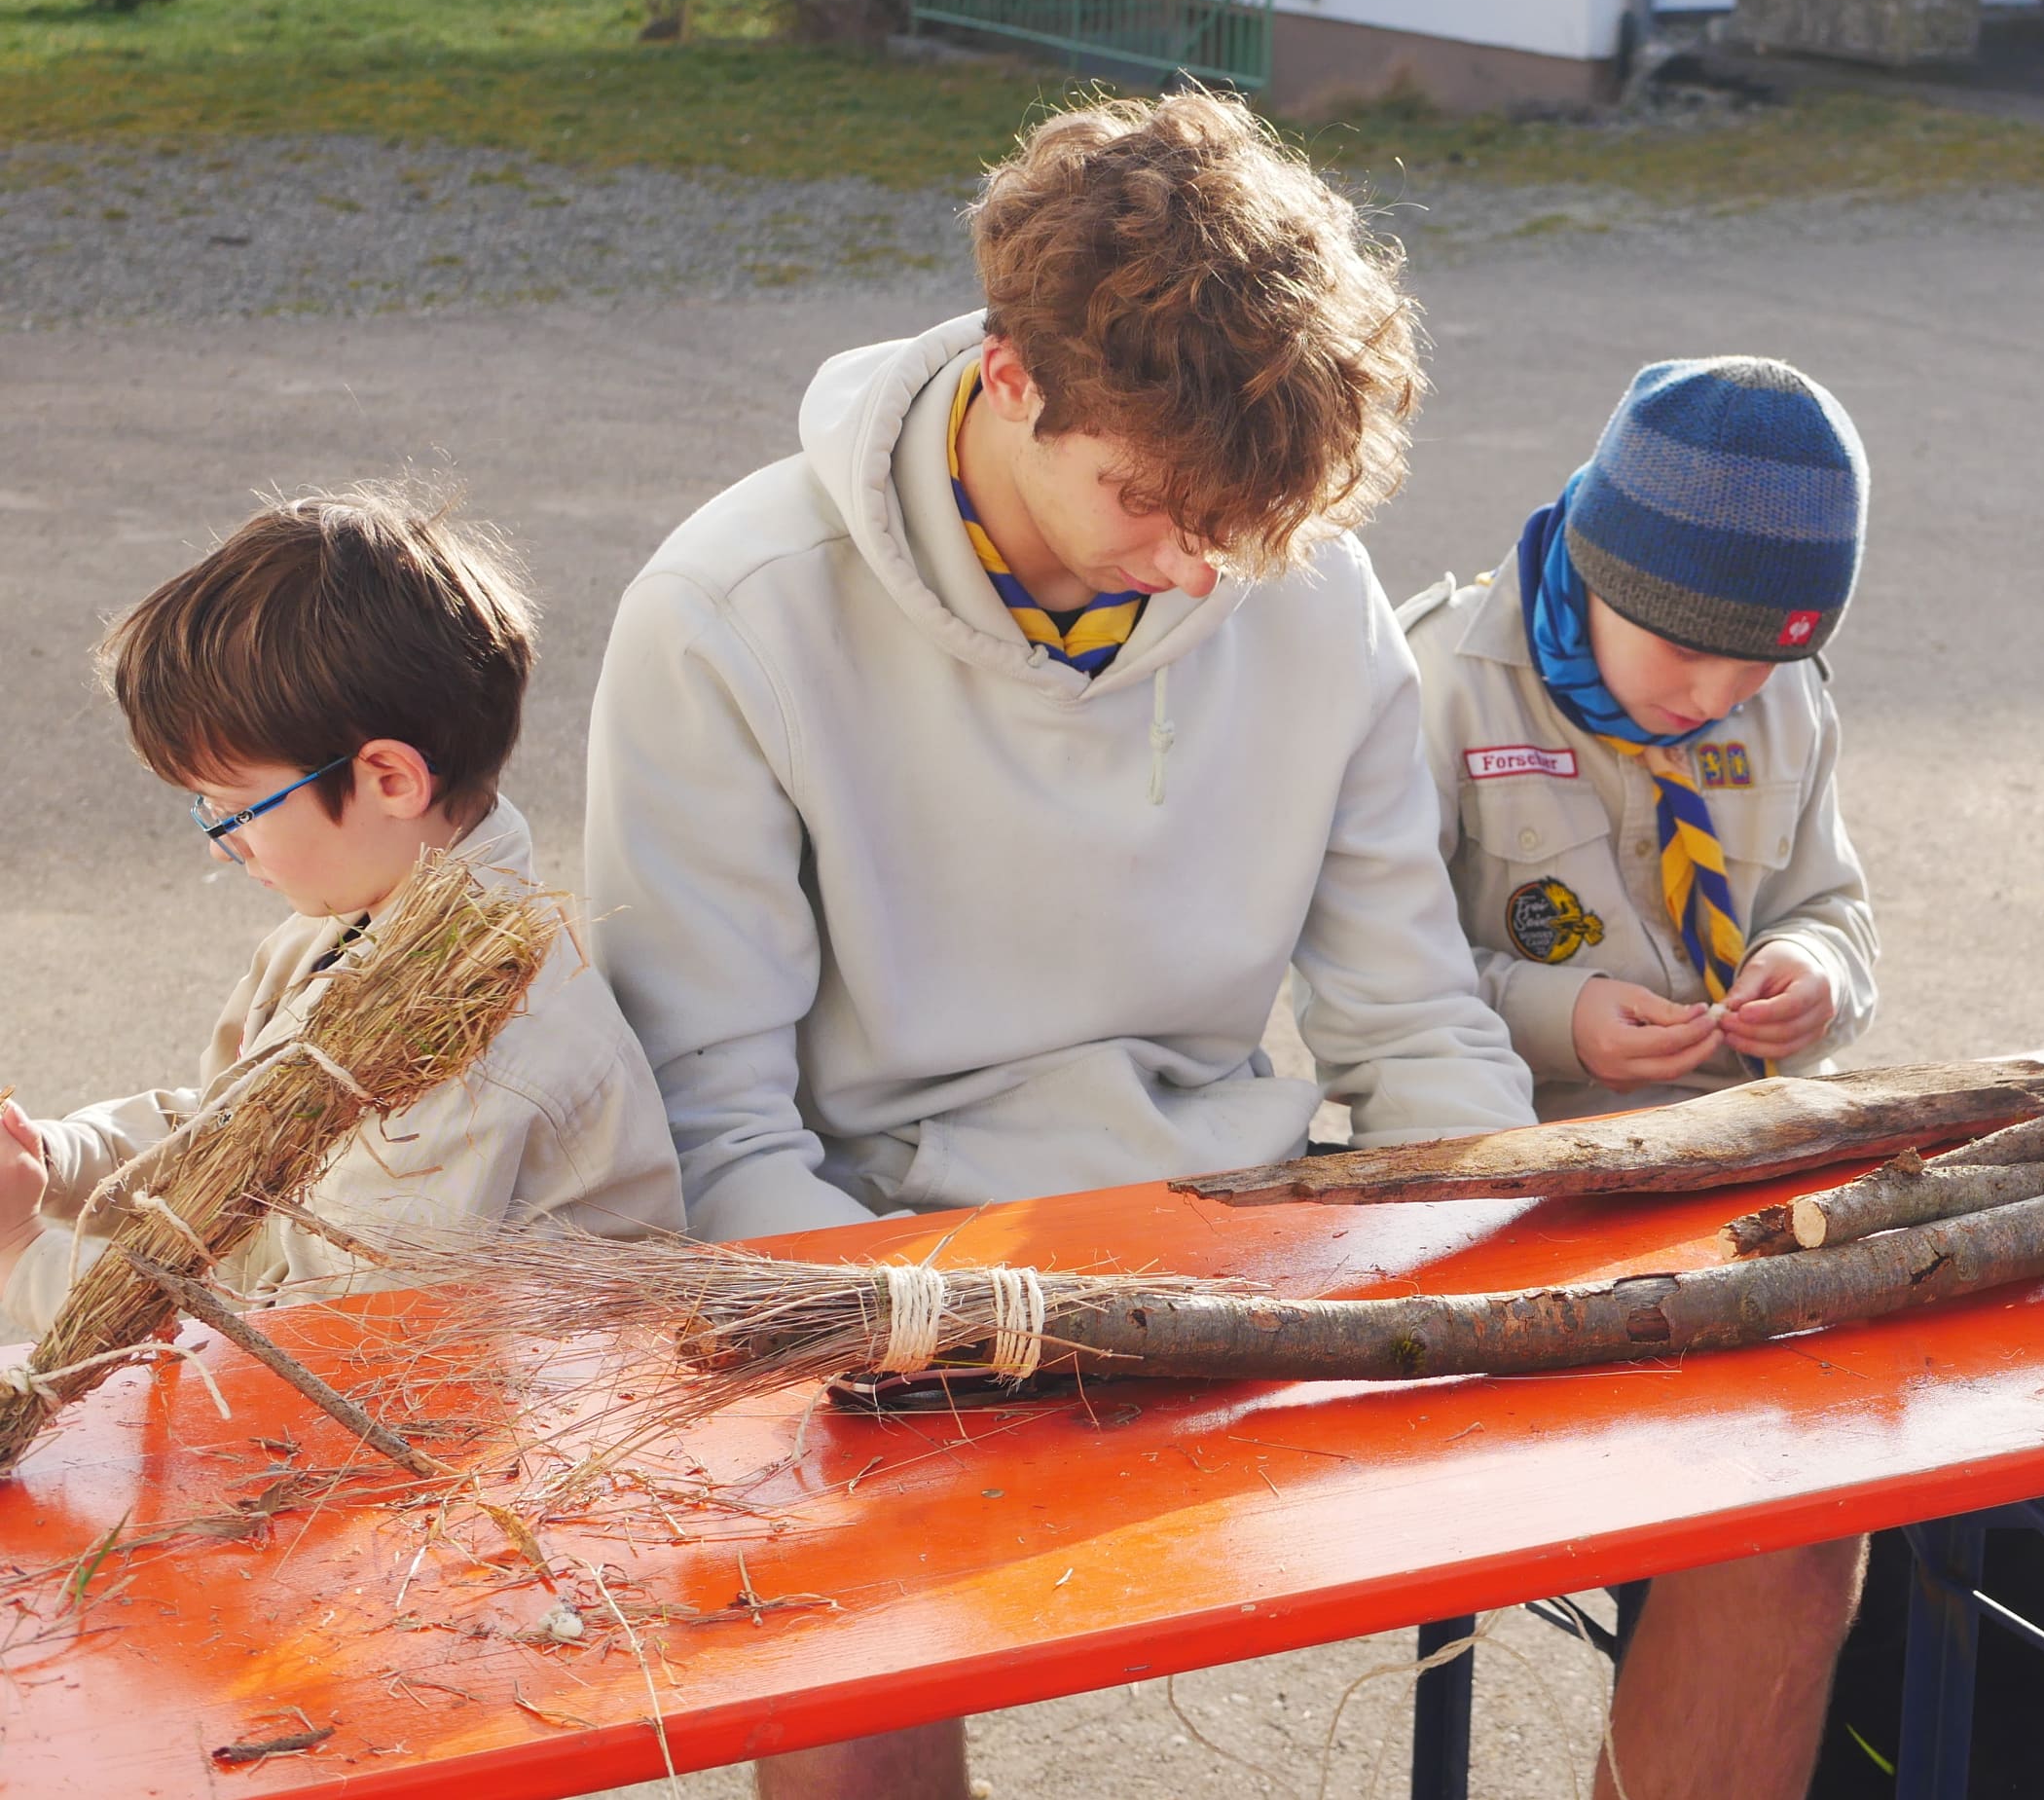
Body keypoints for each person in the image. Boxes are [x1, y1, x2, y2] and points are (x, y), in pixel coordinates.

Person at [586, 90, 1537, 1800]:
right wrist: (917, 1333)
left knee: (1766, 1507)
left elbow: (1413, 1020)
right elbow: (713, 1131)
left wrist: (1531, 1278)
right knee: (850, 1649)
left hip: (1229, 1255)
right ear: (1010, 377)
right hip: (883, 1274)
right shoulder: (728, 611)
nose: (1199, 569)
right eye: (1148, 502)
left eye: (1238, 525)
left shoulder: (1292, 574)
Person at [1387, 354, 1877, 1800]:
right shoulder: (1438, 681)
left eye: (1758, 664)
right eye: (1683, 655)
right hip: (1522, 1193)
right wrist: (1559, 1016)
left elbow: (1832, 903)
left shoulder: (1784, 697)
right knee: (1734, 1498)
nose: (1716, 696)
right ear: (1599, 569)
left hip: (1746, 1178)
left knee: (1866, 1491)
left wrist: (1814, 972)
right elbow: (1368, 974)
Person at [0, 487, 682, 1339]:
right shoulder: (363, 911)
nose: (219, 846)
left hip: (494, 1412)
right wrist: (56, 1157)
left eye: (234, 810)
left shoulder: (461, 1053)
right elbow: (225, 1138)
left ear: (389, 780)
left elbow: (320, 1351)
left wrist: (20, 1251)